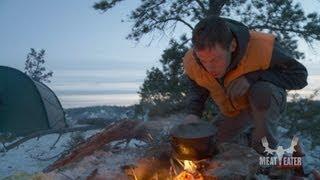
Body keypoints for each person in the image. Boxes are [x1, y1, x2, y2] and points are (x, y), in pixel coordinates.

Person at [182, 16, 308, 154]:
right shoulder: (192, 61)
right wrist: (192, 114)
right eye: (203, 60)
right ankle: (248, 137)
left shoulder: (261, 46)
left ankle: (264, 155)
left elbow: (300, 75)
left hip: (265, 102)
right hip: (233, 111)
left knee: (262, 92)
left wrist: (252, 78)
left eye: (216, 59)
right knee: (209, 146)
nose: (210, 67)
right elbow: (197, 87)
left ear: (232, 45)